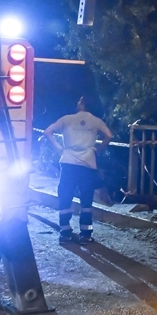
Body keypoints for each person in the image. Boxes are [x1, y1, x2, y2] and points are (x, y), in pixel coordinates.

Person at [44, 97, 112, 244]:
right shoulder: (96, 121)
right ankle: (85, 235)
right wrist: (99, 150)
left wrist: (60, 149)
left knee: (65, 196)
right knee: (86, 199)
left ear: (81, 104)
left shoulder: (67, 119)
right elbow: (109, 135)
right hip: (88, 164)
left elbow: (48, 132)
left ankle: (65, 233)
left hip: (68, 162)